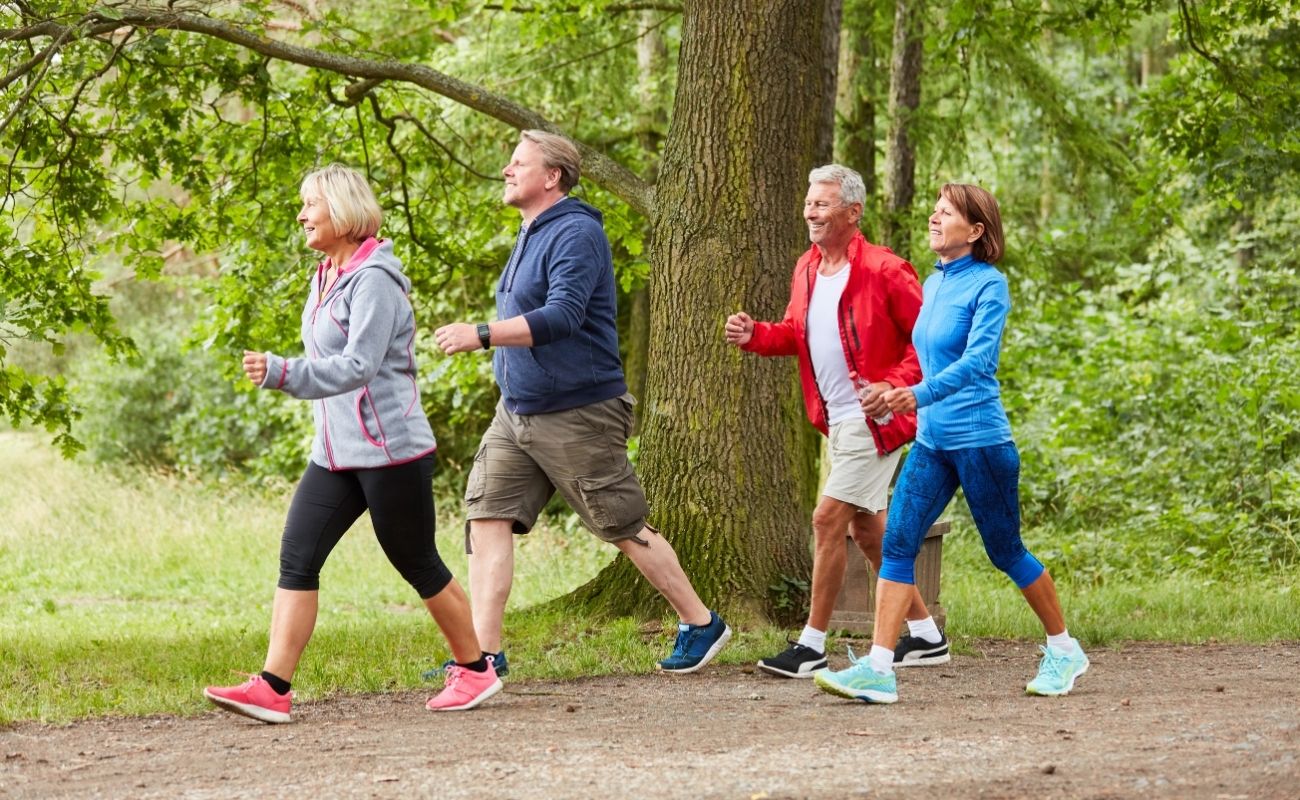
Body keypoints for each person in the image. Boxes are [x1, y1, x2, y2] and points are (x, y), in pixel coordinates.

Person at [203, 164, 501, 723]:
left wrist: (283, 373)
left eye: (310, 204)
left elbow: (359, 365)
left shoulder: (375, 281)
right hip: (335, 454)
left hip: (391, 452)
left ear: (341, 210)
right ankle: (273, 687)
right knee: (298, 556)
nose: (301, 215)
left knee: (416, 561)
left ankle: (476, 670)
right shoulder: (327, 275)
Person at [433, 130, 730, 675]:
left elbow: (564, 316)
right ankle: (483, 658)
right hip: (517, 410)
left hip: (577, 412)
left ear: (552, 177)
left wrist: (482, 333)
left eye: (518, 162)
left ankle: (700, 621)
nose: (506, 169)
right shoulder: (530, 231)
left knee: (620, 524)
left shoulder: (575, 232)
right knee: (486, 517)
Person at [815, 183, 1089, 704]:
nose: (935, 219)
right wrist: (892, 390)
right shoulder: (935, 282)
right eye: (935, 211)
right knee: (897, 543)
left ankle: (1064, 647)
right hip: (933, 441)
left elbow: (978, 363)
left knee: (1004, 550)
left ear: (976, 230)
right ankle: (878, 669)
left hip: (981, 440)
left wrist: (914, 395)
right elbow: (923, 356)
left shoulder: (990, 286)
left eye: (947, 213)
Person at [725, 164, 948, 679]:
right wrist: (755, 334)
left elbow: (929, 344)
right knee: (869, 533)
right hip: (837, 422)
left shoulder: (886, 270)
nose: (810, 211)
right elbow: (795, 332)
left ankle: (812, 644)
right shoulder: (806, 267)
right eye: (809, 203)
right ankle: (927, 637)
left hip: (877, 422)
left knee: (827, 519)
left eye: (822, 204)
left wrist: (894, 388)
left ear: (853, 212)